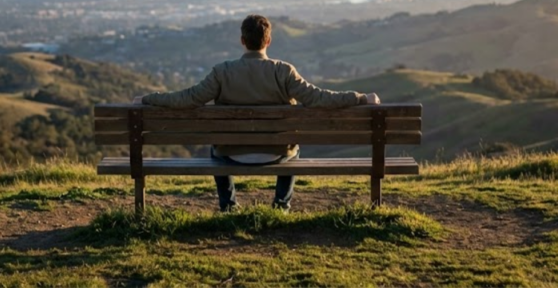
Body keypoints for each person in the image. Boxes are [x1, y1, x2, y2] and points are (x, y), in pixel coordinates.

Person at [134, 14, 380, 212]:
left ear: (242, 40)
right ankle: (281, 205)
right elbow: (319, 98)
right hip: (277, 154)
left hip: (231, 154)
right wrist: (360, 98)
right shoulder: (283, 71)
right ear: (268, 41)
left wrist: (147, 99)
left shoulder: (222, 72)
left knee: (214, 149)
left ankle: (228, 206)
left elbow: (187, 98)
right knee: (294, 148)